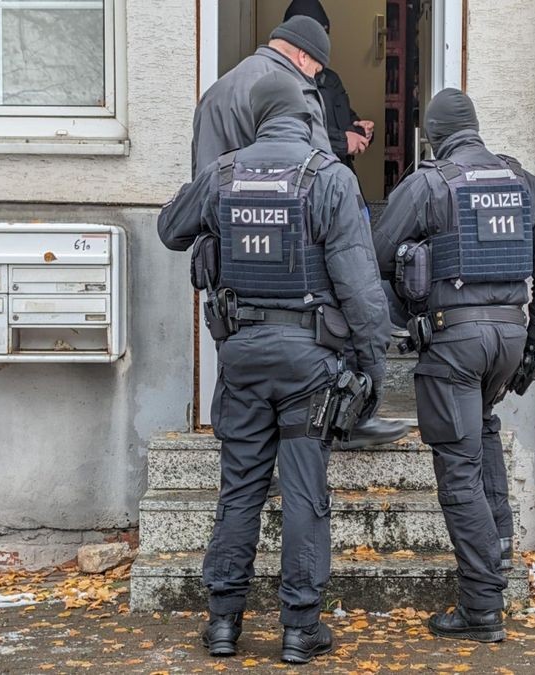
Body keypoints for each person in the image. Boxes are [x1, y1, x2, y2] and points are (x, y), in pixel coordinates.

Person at [159, 72, 392, 664]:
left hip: (240, 357)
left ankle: (222, 625)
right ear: (306, 116)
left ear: (257, 119)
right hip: (310, 363)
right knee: (305, 492)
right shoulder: (330, 178)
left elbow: (169, 230)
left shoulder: (224, 173)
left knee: (239, 488)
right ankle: (299, 628)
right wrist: (371, 372)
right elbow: (362, 293)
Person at [372, 89, 535, 642]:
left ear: (433, 136)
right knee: (482, 438)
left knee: (458, 471)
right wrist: (532, 346)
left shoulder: (428, 184)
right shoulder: (522, 182)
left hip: (453, 343)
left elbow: (372, 260)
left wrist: (406, 321)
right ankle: (498, 561)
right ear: (476, 128)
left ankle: (482, 607)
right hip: (507, 339)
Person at [191, 15, 333, 177]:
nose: (313, 79)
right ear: (303, 57)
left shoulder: (212, 93)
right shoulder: (297, 93)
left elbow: (198, 169)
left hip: (214, 201)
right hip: (274, 200)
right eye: (316, 71)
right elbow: (324, 174)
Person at [283, 0, 376, 170]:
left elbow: (347, 118)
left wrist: (362, 130)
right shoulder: (280, 81)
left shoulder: (330, 79)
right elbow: (291, 135)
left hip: (340, 176)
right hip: (303, 180)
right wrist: (343, 141)